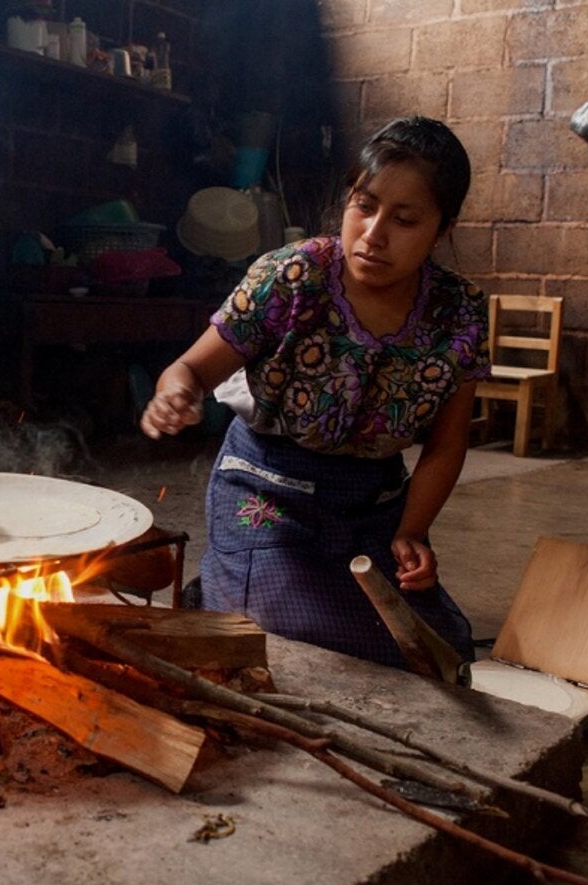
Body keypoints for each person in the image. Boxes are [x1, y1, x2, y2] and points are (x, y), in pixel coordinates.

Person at [141, 116, 488, 672]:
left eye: (404, 219)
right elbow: (191, 369)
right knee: (291, 629)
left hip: (368, 504)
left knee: (429, 647)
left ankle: (236, 580)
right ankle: (229, 581)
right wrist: (175, 394)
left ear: (442, 229)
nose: (374, 233)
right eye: (364, 205)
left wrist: (411, 531)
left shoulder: (459, 311)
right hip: (265, 488)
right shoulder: (294, 276)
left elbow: (446, 445)